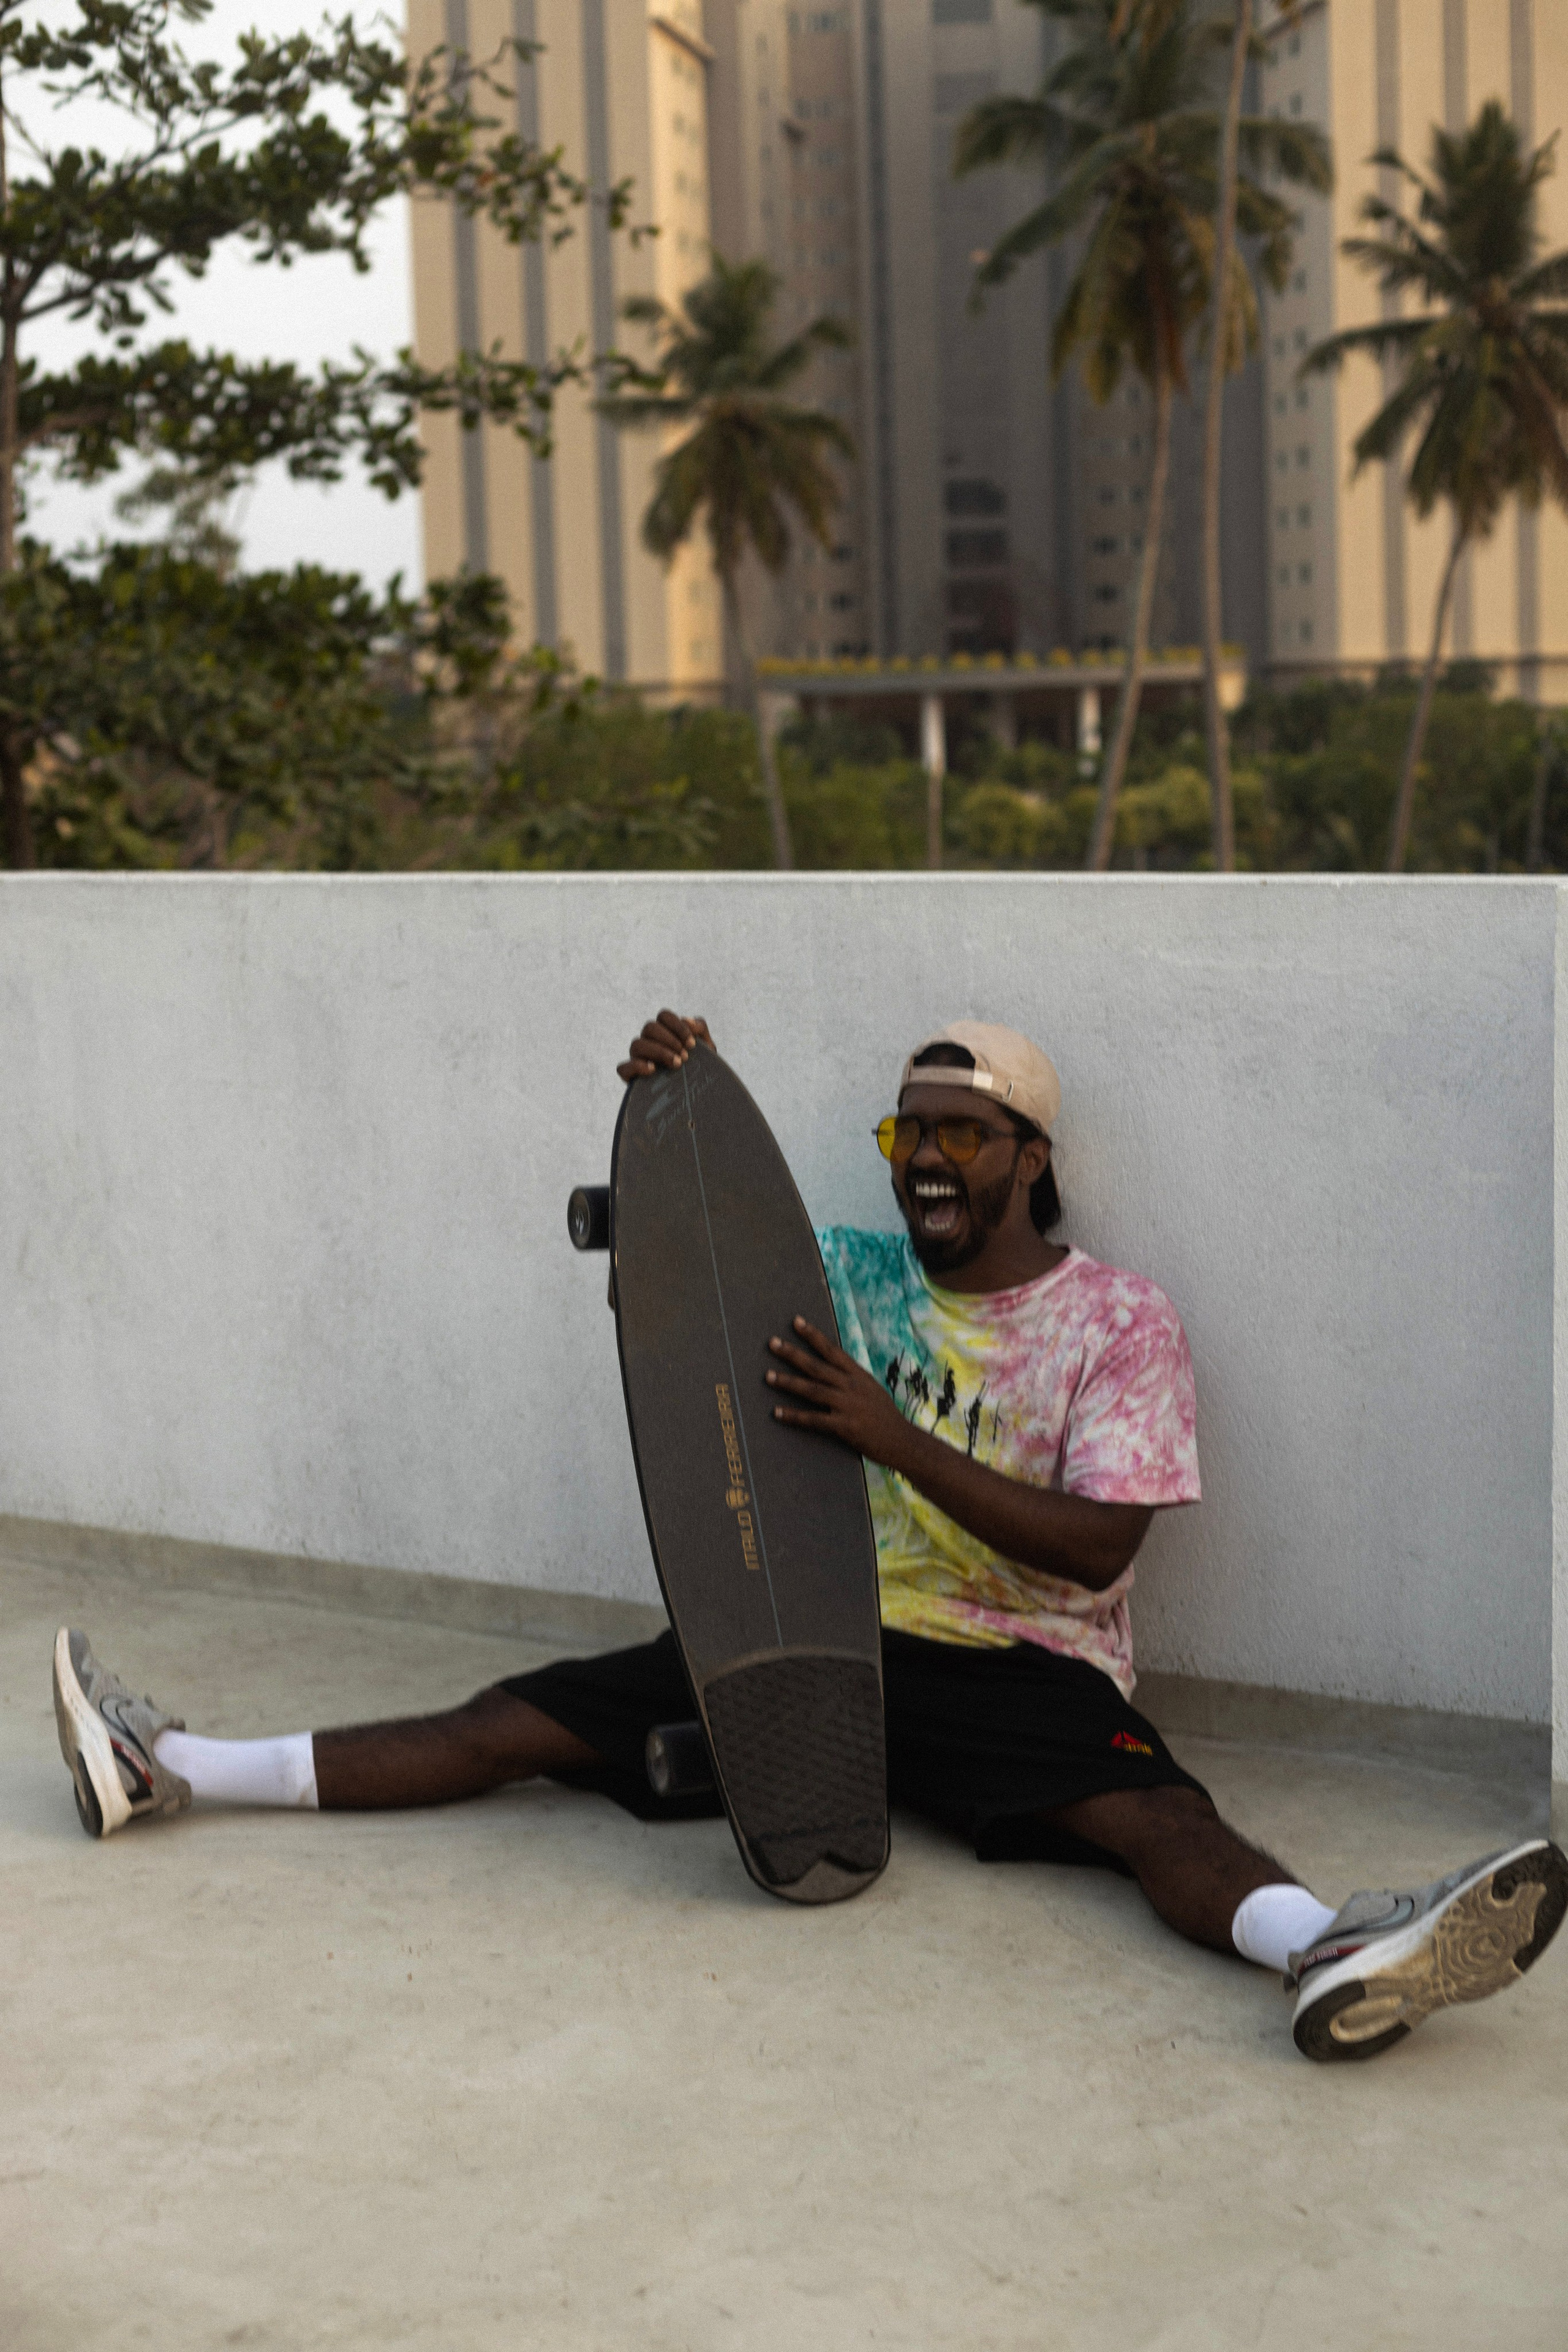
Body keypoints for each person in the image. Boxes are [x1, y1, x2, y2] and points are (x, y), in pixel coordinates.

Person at [51, 1010, 1566, 2064]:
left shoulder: (1115, 1319)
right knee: (515, 1720)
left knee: (1152, 1823)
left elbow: (1098, 1556)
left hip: (1014, 1661)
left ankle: (1327, 1954)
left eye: (965, 1134)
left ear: (1029, 1154)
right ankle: (168, 1768)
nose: (929, 1157)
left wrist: (885, 1433)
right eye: (912, 1128)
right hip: (810, 1639)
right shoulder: (834, 1269)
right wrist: (670, 1107)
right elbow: (672, 1256)